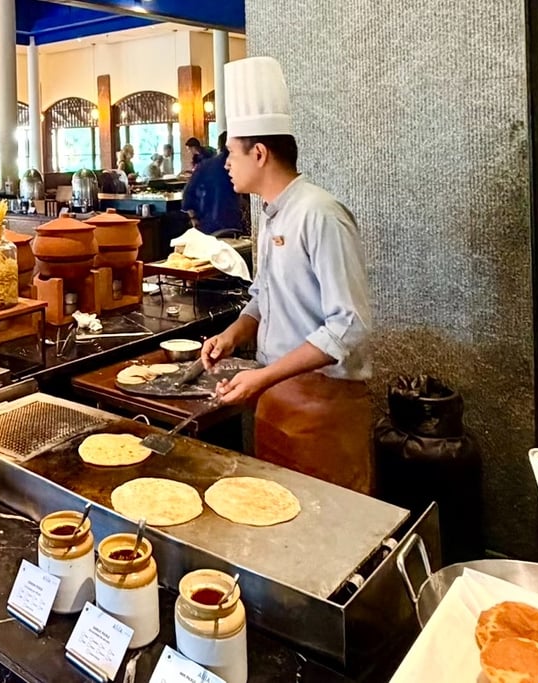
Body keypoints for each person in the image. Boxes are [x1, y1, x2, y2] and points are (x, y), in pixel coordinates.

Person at [202, 56, 374, 494]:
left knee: (330, 519)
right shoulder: (272, 214)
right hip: (276, 397)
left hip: (323, 404)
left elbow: (349, 325)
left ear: (259, 153)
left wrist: (262, 377)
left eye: (231, 152)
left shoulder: (319, 214)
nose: (225, 164)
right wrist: (232, 335)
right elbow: (264, 295)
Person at [180, 132, 242, 235]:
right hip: (236, 221)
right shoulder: (241, 166)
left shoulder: (205, 165)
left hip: (207, 221)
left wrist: (193, 217)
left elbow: (188, 193)